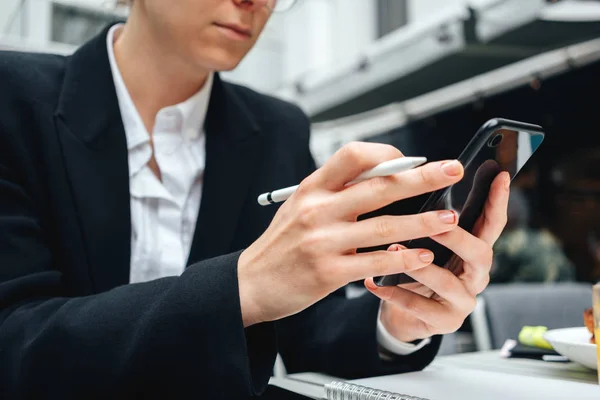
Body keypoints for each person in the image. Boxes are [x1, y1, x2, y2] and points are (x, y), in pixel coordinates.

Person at [0, 0, 510, 398]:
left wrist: (398, 319)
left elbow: (306, 327)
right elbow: (14, 342)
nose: (255, 3)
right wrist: (242, 287)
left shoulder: (276, 129)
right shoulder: (13, 99)